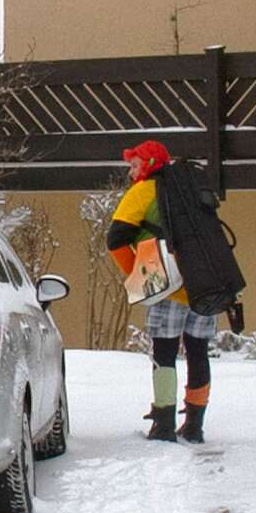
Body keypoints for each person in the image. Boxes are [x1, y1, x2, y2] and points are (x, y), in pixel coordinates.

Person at [106, 140, 214, 443]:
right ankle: (195, 424)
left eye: (135, 164)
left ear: (150, 163)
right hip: (204, 282)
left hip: (167, 285)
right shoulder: (192, 187)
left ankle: (164, 423)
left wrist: (140, 275)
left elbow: (115, 239)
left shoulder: (143, 192)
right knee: (198, 353)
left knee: (164, 354)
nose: (130, 171)